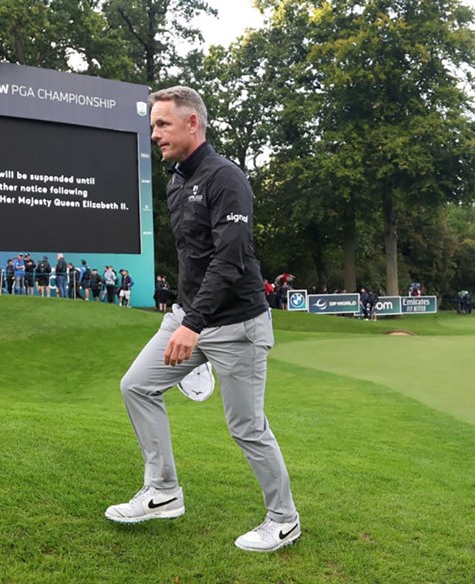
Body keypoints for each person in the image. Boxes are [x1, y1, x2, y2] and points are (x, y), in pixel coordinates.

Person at [105, 86, 300, 553]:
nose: (154, 134)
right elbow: (193, 257)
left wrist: (194, 325)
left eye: (163, 124)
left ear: (192, 123)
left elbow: (229, 259)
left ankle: (284, 519)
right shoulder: (176, 180)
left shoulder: (226, 178)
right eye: (153, 125)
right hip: (190, 318)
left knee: (246, 426)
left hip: (237, 326)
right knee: (137, 386)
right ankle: (164, 491)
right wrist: (181, 314)